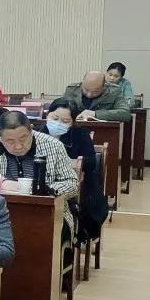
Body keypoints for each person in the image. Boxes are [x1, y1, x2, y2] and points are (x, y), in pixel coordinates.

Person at [0, 111, 79, 197]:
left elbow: (72, 183)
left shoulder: (53, 145)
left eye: (23, 139)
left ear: (31, 130)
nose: (18, 146)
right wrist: (1, 183)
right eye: (10, 141)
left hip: (45, 209)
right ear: (0, 136)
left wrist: (43, 190)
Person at [45, 99, 108, 241]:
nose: (58, 123)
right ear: (47, 115)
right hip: (46, 181)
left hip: (75, 182)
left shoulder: (80, 135)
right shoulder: (37, 133)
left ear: (73, 122)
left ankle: (77, 234)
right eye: (55, 118)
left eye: (65, 121)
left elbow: (91, 161)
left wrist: (71, 162)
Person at [62, 71, 130, 122]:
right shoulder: (72, 89)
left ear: (104, 86)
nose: (89, 94)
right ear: (83, 82)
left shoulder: (114, 91)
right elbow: (61, 110)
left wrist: (95, 114)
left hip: (102, 130)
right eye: (86, 90)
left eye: (95, 92)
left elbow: (125, 114)